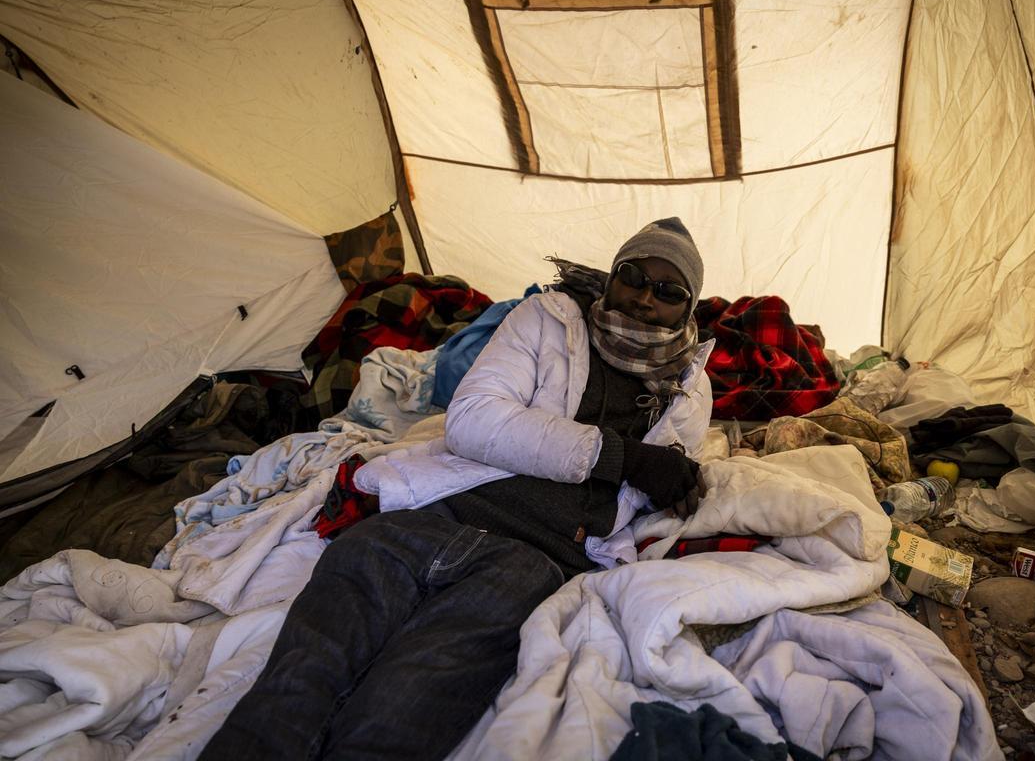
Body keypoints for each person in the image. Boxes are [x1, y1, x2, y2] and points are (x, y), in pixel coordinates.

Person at [199, 218, 714, 760]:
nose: (643, 296)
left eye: (668, 290)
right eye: (632, 275)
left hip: (534, 556)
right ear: (611, 277)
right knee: (307, 665)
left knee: (415, 688)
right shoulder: (547, 319)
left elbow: (665, 482)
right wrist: (623, 456)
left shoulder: (687, 386)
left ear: (688, 308)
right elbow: (472, 420)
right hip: (429, 516)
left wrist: (668, 478)